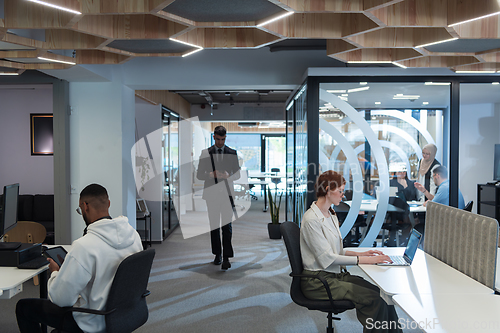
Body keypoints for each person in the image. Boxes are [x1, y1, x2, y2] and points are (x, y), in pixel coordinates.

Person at [16, 184, 143, 333]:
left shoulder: (84, 246)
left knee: (23, 308)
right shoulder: (133, 235)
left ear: (84, 206)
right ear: (108, 203)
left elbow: (60, 300)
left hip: (91, 320)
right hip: (123, 314)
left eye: (79, 209)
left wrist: (56, 273)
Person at [300, 171, 402, 333]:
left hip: (333, 275)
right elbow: (328, 258)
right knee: (374, 299)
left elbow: (337, 251)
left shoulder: (330, 214)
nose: (343, 195)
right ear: (327, 190)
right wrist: (365, 261)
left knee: (382, 294)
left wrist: (363, 254)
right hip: (318, 282)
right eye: (340, 191)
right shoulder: (312, 219)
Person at [197, 125, 240, 270]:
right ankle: (217, 254)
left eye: (223, 139)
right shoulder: (205, 153)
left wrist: (229, 176)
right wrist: (211, 174)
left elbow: (238, 174)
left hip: (227, 194)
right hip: (212, 195)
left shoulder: (232, 153)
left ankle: (227, 257)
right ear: (214, 137)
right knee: (214, 226)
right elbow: (198, 175)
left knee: (226, 227)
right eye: (218, 139)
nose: (220, 142)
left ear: (225, 138)